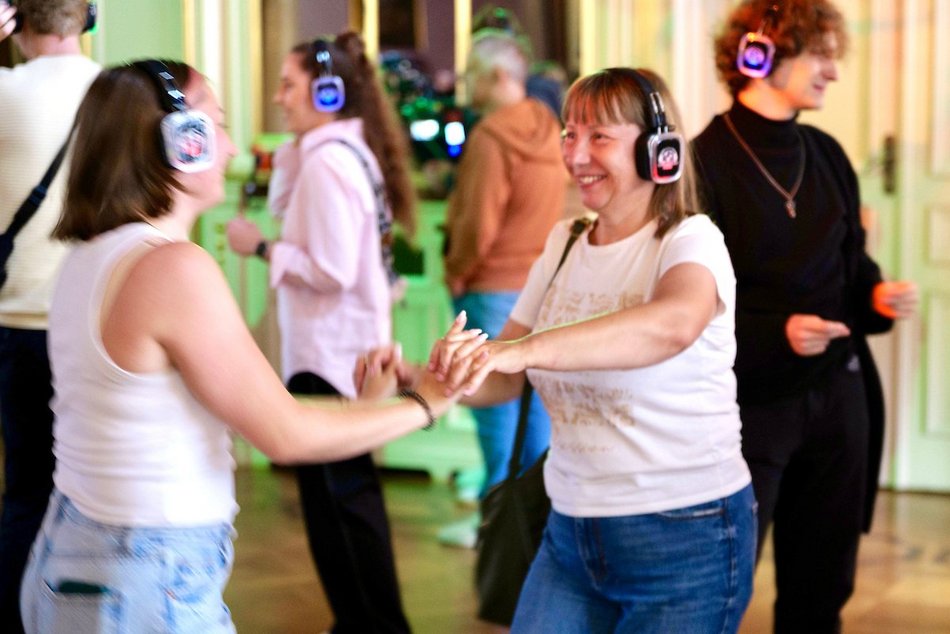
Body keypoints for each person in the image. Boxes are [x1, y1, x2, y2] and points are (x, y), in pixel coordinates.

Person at [17, 59, 478, 633]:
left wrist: (362, 411)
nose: (232, 149)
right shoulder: (172, 268)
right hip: (146, 573)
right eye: (218, 125)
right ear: (181, 143)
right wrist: (424, 403)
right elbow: (282, 433)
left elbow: (198, 415)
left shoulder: (90, 256)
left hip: (73, 553)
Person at [438, 67, 756, 633]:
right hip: (570, 530)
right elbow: (503, 379)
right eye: (569, 134)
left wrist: (524, 351)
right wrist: (430, 375)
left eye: (599, 137)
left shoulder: (690, 241)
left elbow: (672, 325)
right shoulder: (564, 241)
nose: (576, 154)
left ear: (659, 150)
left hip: (685, 532)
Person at [691, 1, 918, 631]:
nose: (833, 73)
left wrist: (874, 297)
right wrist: (776, 333)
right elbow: (688, 305)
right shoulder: (703, 163)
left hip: (839, 399)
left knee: (822, 591)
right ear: (759, 55)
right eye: (820, 54)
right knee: (719, 584)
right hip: (749, 408)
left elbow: (851, 266)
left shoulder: (827, 155)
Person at [225, 32, 418, 633]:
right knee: (343, 500)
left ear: (328, 91)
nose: (280, 97)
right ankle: (364, 621)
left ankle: (371, 623)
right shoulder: (335, 154)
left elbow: (331, 270)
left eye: (289, 84)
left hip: (330, 355)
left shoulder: (331, 164)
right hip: (340, 350)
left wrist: (259, 246)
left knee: (340, 504)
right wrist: (294, 148)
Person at [439, 27, 566, 548]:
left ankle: (498, 530)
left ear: (495, 77)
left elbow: (476, 224)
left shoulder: (492, 137)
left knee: (495, 416)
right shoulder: (549, 127)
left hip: (491, 287)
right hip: (537, 288)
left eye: (471, 74)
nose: (465, 84)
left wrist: (457, 272)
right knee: (531, 422)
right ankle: (531, 526)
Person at [0, 2, 100, 630]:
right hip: (97, 324)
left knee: (26, 491)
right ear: (86, 17)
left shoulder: (6, 92)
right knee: (90, 492)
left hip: (16, 322)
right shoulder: (122, 93)